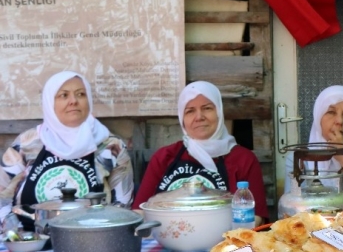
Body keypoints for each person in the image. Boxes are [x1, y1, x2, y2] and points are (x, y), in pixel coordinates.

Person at [0, 71, 134, 219]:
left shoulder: (111, 147)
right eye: (64, 95)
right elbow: (1, 192)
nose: (73, 101)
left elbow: (122, 206)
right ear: (50, 102)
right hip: (30, 236)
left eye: (81, 94)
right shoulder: (26, 143)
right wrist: (12, 230)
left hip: (92, 236)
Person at [133, 81, 268, 224]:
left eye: (207, 108)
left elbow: (256, 216)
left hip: (225, 240)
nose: (199, 117)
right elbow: (139, 211)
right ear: (182, 119)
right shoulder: (164, 157)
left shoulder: (243, 159)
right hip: (170, 240)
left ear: (219, 113)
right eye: (190, 111)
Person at [284, 85, 343, 186]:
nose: (340, 121)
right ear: (318, 117)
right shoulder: (299, 160)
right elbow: (293, 200)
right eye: (331, 112)